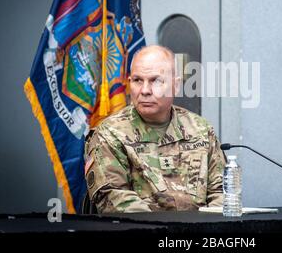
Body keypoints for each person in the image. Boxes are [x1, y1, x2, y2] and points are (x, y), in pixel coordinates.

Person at [84, 45, 226, 213]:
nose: (144, 90)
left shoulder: (201, 130)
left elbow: (222, 194)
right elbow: (115, 198)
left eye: (156, 81)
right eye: (137, 80)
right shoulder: (109, 133)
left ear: (176, 85)